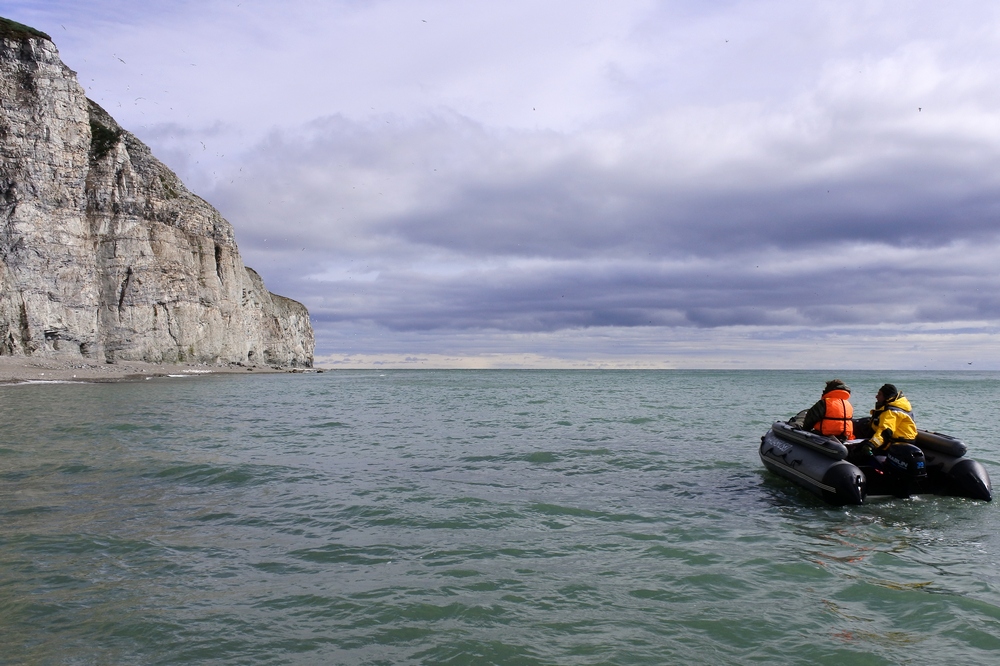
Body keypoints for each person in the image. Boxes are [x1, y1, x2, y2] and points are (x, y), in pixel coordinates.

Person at [852, 383, 917, 459]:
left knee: (856, 453)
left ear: (886, 397)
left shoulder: (891, 412)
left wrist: (871, 445)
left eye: (879, 394)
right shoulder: (898, 407)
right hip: (896, 442)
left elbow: (885, 432)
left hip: (895, 445)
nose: (876, 396)